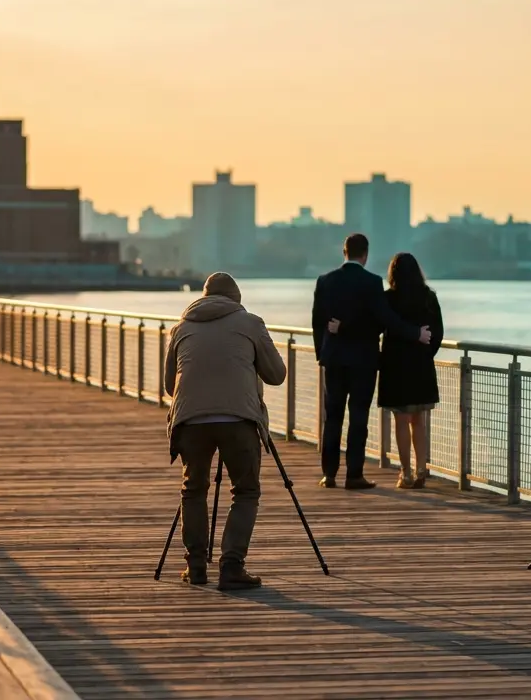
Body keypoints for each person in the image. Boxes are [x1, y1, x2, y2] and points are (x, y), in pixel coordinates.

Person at [164, 272, 286, 590]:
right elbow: (277, 374)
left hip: (190, 420)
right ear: (237, 299)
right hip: (238, 419)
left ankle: (195, 566)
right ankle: (231, 566)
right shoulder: (251, 323)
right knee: (245, 491)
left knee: (193, 491)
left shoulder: (181, 327)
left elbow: (168, 386)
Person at [311, 233, 431, 490]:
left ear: (344, 252)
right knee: (358, 417)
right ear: (365, 255)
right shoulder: (372, 283)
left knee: (332, 417)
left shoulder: (325, 281)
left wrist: (322, 352)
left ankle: (328, 474)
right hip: (363, 361)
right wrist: (415, 333)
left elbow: (318, 321)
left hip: (333, 360)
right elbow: (382, 320)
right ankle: (354, 475)